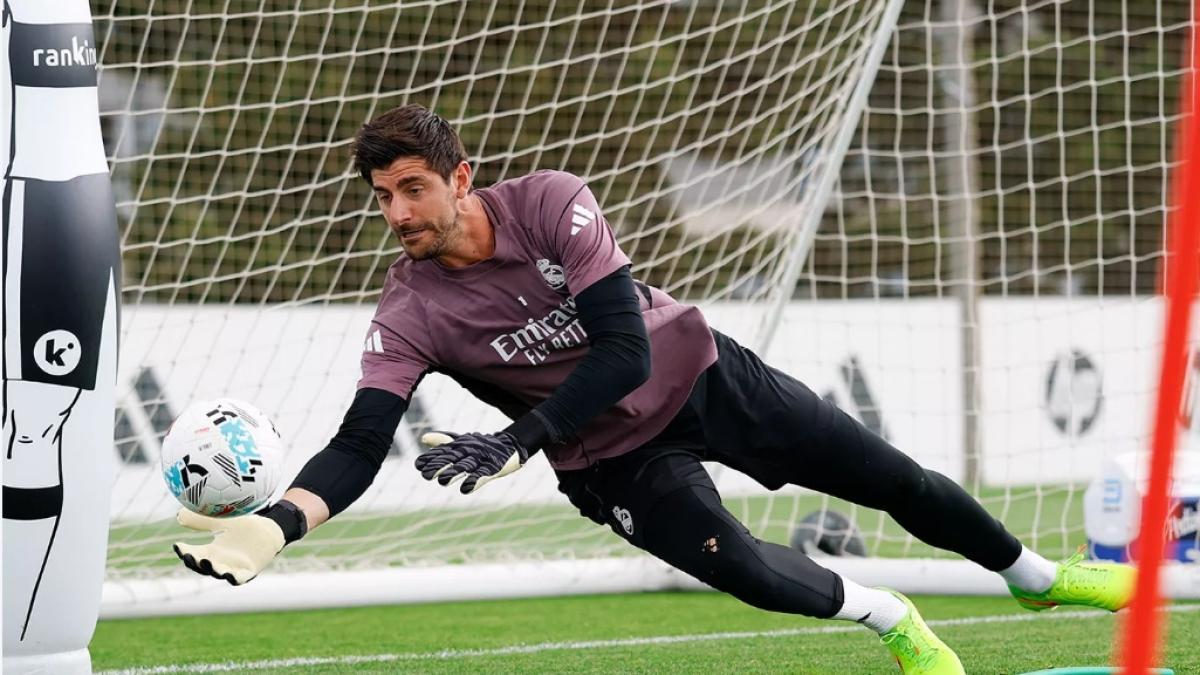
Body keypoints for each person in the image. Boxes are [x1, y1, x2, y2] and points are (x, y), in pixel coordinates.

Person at [172, 104, 1134, 674]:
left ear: (462, 178)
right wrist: (279, 525)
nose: (397, 213)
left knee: (896, 480)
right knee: (748, 570)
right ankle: (895, 619)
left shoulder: (550, 201)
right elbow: (359, 442)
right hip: (614, 459)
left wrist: (516, 440)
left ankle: (1037, 579)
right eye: (382, 196)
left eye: (412, 188)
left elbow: (625, 351)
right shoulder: (409, 310)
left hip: (702, 374)